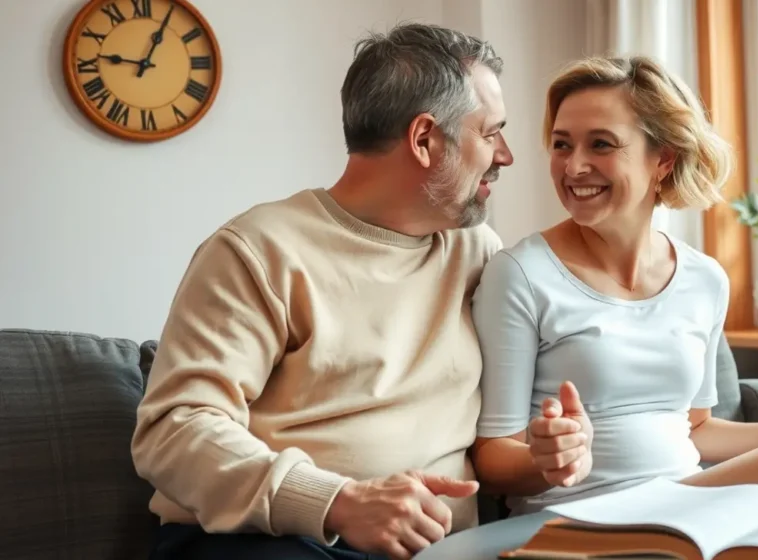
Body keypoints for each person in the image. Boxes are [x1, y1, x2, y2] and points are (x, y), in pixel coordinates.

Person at [131, 22, 513, 560]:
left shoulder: (477, 252)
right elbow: (174, 431)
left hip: (441, 546)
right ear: (424, 139)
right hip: (277, 540)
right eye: (491, 132)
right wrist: (338, 501)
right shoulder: (258, 250)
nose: (506, 155)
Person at [469, 54, 758, 517]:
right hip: (578, 516)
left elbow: (696, 427)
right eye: (563, 145)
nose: (573, 166)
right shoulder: (521, 274)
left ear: (663, 159)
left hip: (682, 501)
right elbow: (491, 457)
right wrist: (546, 459)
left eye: (601, 145)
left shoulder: (704, 280)